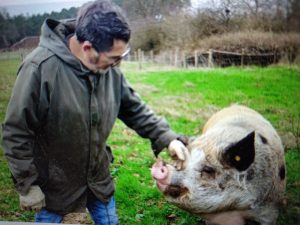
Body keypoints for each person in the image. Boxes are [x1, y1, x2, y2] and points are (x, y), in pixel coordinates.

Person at [1, 0, 188, 224]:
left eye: (122, 56)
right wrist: (27, 184)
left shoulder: (109, 69)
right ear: (88, 48)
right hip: (55, 186)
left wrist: (167, 139)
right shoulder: (40, 69)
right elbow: (16, 132)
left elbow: (134, 109)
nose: (118, 65)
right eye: (114, 58)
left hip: (98, 179)